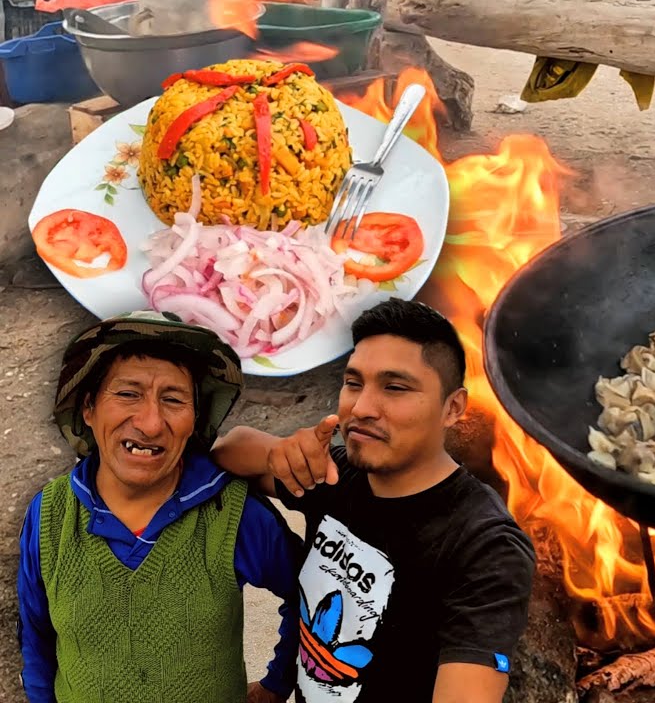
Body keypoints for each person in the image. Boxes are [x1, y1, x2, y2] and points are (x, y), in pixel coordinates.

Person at [212, 297, 536, 703]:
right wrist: (281, 451)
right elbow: (229, 451)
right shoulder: (339, 475)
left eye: (394, 387)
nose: (361, 408)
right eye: (352, 383)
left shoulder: (485, 545)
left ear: (452, 408)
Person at [17, 310, 300, 703]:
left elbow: (311, 592)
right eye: (128, 393)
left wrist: (278, 682)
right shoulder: (50, 515)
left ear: (195, 420)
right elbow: (36, 635)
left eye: (173, 399)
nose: (150, 423)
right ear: (88, 408)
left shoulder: (233, 514)